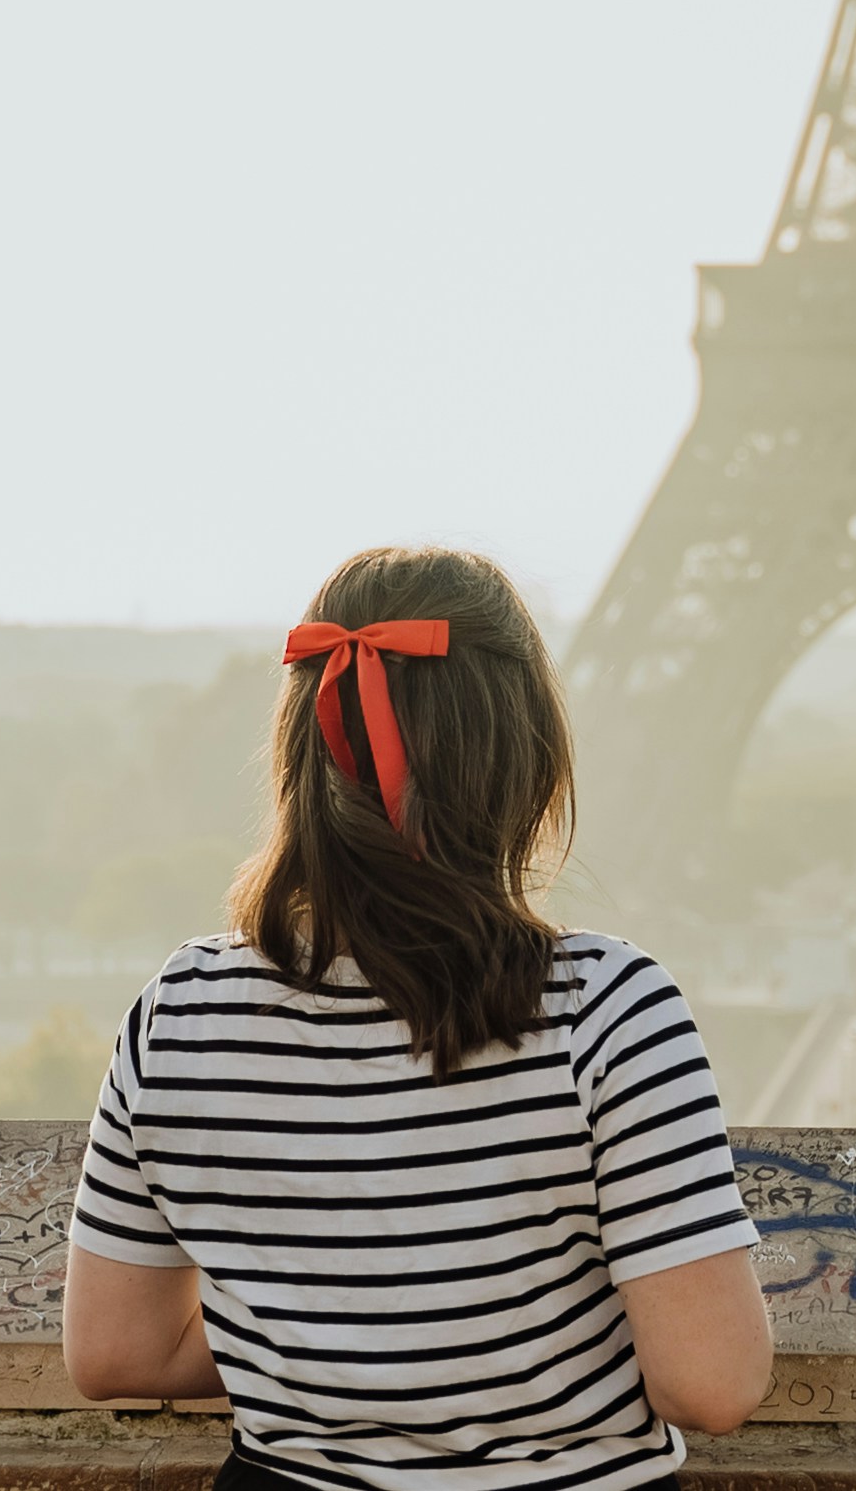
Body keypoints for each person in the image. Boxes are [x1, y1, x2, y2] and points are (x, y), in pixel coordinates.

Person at [61, 546, 771, 1487]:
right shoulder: (607, 1008)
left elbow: (117, 1354)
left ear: (302, 747)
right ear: (526, 755)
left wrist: (334, 1360)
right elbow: (712, 1383)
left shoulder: (181, 1014)